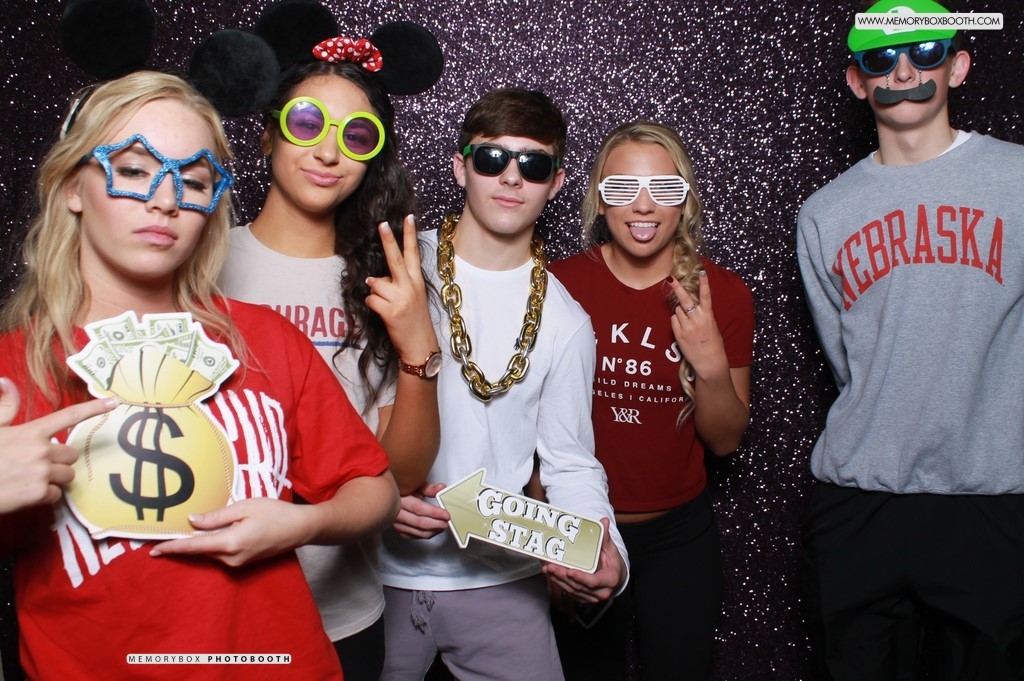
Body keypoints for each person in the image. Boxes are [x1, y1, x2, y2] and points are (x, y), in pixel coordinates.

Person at [0, 70, 399, 680]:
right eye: (134, 170)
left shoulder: (265, 339)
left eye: (192, 181)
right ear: (73, 186)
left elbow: (375, 489)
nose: (165, 200)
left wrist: (304, 523)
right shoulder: (13, 367)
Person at [797, 1, 1024, 678]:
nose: (903, 72)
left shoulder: (1018, 181)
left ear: (958, 65)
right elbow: (846, 363)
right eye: (881, 58)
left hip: (990, 500)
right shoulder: (825, 212)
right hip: (861, 501)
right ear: (857, 80)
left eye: (924, 52)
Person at [376, 87, 629, 681]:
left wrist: (605, 549)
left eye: (533, 165)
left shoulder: (567, 321)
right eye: (492, 158)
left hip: (502, 579)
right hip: (373, 574)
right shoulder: (397, 271)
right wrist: (374, 498)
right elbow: (344, 408)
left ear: (556, 183)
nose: (512, 177)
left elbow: (569, 461)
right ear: (460, 167)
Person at [217, 23, 441, 679]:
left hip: (341, 615)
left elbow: (401, 477)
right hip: (214, 607)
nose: (328, 151)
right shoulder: (202, 260)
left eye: (357, 136)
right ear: (267, 133)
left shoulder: (390, 280)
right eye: (307, 122)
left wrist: (419, 346)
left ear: (374, 157)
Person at [548, 121, 754, 679]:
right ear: (599, 199)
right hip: (580, 530)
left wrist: (709, 362)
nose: (643, 206)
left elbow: (725, 441)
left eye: (663, 189)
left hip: (678, 539)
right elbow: (532, 430)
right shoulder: (555, 285)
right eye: (622, 188)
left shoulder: (723, 293)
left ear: (684, 200)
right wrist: (553, 540)